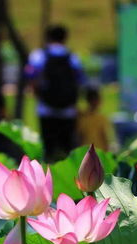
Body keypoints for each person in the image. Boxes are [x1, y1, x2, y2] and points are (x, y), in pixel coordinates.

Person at [26, 25, 85, 161]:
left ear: (48, 37)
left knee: (48, 149)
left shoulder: (39, 55)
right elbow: (80, 80)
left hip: (46, 109)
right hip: (68, 110)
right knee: (67, 151)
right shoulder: (72, 57)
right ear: (65, 38)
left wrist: (38, 95)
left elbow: (31, 76)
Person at [77, 86, 112, 151]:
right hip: (90, 151)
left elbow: (105, 137)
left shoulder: (101, 118)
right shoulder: (83, 117)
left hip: (94, 151)